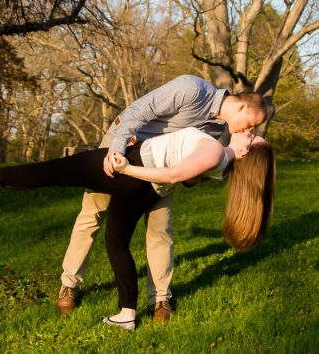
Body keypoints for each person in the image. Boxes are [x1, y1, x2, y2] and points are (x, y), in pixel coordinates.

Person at [0, 126, 274, 331]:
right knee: (116, 244)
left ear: (245, 153)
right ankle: (126, 314)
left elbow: (174, 173)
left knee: (54, 171)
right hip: (143, 190)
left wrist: (127, 167)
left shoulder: (217, 153)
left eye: (251, 138)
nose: (248, 131)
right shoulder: (221, 163)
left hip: (131, 171)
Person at [58, 75, 266, 322]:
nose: (248, 130)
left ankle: (160, 299)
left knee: (160, 228)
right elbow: (138, 111)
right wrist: (115, 149)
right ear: (242, 106)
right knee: (93, 213)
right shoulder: (192, 89)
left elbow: (187, 174)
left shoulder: (216, 130)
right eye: (251, 124)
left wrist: (206, 172)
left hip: (159, 173)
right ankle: (69, 284)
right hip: (124, 148)